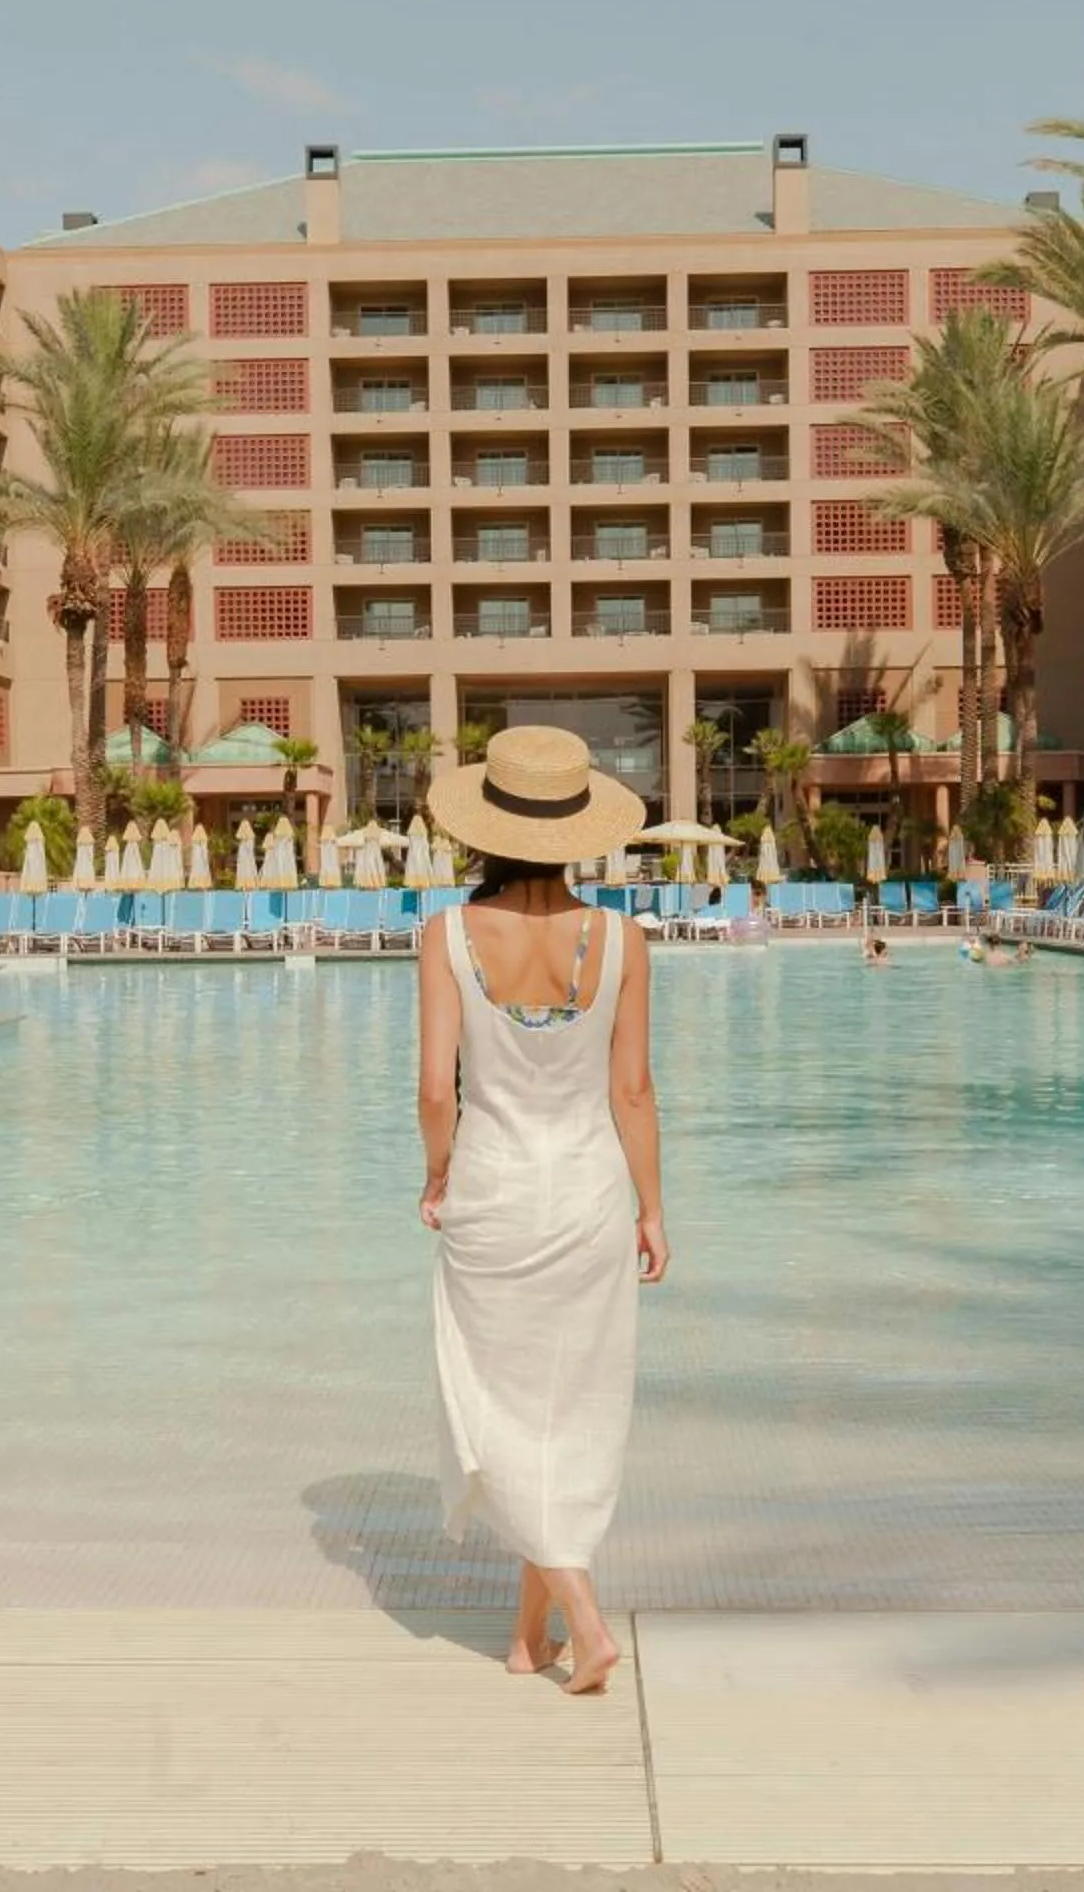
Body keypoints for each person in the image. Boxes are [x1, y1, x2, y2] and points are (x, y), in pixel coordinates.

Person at [419, 726, 667, 1696]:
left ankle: (583, 1615)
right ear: (577, 831)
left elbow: (438, 1088)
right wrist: (653, 1208)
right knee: (562, 1406)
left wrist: (437, 1174)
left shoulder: (445, 935)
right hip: (594, 1193)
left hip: (492, 1193)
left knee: (494, 1406)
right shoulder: (623, 939)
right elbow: (635, 1090)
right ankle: (530, 1637)